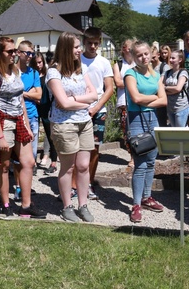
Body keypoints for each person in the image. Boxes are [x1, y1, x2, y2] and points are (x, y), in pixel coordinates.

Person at [0, 37, 46, 218]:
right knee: (4, 165)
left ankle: (25, 205)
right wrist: (0, 137)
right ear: (0, 53)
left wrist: (26, 124)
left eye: (15, 51)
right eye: (10, 51)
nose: (14, 54)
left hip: (18, 121)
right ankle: (6, 204)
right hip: (3, 122)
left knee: (28, 162)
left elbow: (20, 99)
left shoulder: (14, 71)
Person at [46, 33, 98, 223]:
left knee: (83, 166)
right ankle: (67, 206)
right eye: (76, 47)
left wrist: (75, 100)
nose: (80, 50)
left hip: (84, 122)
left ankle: (83, 206)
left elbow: (94, 95)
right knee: (68, 168)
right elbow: (62, 104)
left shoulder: (80, 68)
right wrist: (82, 102)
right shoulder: (54, 72)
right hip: (64, 125)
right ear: (66, 48)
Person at [124, 41, 167, 223]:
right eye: (139, 55)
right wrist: (154, 97)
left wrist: (146, 99)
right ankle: (136, 204)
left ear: (151, 54)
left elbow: (164, 101)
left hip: (152, 119)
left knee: (151, 162)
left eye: (146, 53)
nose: (143, 57)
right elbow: (135, 98)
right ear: (134, 57)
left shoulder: (156, 75)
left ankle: (147, 196)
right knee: (140, 164)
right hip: (136, 120)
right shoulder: (130, 74)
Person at [73, 27, 114, 201]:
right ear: (84, 42)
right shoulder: (77, 60)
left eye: (95, 44)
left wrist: (96, 107)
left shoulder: (104, 62)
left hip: (98, 111)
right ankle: (74, 185)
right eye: (89, 43)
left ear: (99, 43)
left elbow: (109, 88)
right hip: (78, 109)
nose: (92, 47)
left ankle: (88, 183)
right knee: (76, 149)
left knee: (94, 149)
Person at [13, 40, 42, 200]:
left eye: (32, 53)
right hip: (17, 117)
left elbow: (40, 95)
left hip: (32, 116)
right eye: (27, 53)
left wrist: (22, 93)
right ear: (18, 53)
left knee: (31, 155)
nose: (30, 56)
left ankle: (27, 187)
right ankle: (18, 187)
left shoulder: (34, 73)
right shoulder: (12, 72)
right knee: (18, 157)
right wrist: (28, 92)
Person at [32, 51, 58, 174]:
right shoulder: (32, 75)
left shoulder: (48, 74)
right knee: (33, 137)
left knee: (51, 136)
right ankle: (33, 163)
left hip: (47, 108)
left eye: (40, 62)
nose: (38, 65)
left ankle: (53, 162)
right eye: (36, 63)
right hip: (34, 109)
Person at [113, 38, 136, 165]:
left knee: (138, 130)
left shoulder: (138, 63)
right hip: (123, 102)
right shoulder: (119, 65)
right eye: (126, 47)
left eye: (131, 47)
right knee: (127, 130)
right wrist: (134, 82)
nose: (128, 49)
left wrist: (126, 83)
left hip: (138, 101)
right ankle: (132, 156)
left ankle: (140, 154)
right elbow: (117, 82)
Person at [162, 50, 189, 127]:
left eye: (173, 58)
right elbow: (161, 87)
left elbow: (178, 88)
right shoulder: (167, 72)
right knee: (173, 131)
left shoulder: (183, 72)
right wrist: (169, 90)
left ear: (180, 60)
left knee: (180, 133)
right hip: (170, 107)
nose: (170, 60)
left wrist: (166, 88)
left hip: (181, 107)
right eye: (170, 58)